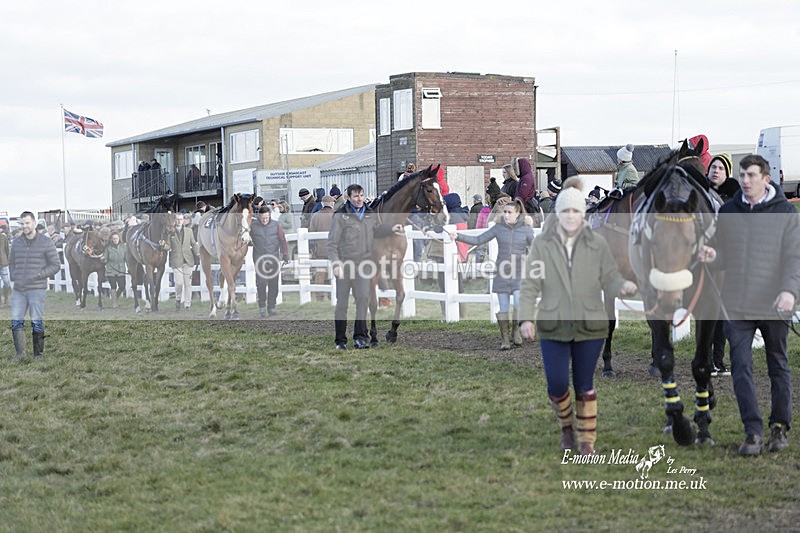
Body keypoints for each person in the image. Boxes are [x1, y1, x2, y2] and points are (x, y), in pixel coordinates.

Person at [519, 179, 637, 454]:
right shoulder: (542, 245)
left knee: (585, 386)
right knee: (557, 385)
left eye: (575, 211)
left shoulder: (597, 244)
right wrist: (526, 317)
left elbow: (610, 278)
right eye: (565, 212)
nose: (570, 216)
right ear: (558, 215)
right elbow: (529, 284)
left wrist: (623, 286)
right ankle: (566, 428)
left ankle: (586, 441)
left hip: (590, 327)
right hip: (553, 326)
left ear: (581, 214)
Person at [699, 154, 800, 456]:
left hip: (774, 303)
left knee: (777, 365)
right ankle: (753, 431)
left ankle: (779, 427)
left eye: (751, 175)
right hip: (737, 304)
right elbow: (721, 251)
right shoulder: (729, 211)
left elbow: (795, 258)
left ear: (766, 179)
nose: (745, 180)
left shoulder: (785, 212)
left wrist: (789, 291)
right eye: (742, 175)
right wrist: (710, 254)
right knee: (741, 367)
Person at [327, 184, 403, 350]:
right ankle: (340, 340)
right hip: (345, 264)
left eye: (361, 195)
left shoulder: (369, 214)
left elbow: (376, 230)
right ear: (348, 197)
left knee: (363, 299)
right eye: (355, 196)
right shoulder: (340, 216)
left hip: (364, 264)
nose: (359, 199)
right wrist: (335, 263)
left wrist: (391, 228)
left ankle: (360, 337)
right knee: (342, 304)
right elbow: (332, 242)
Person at [451, 198, 535, 350]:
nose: (506, 215)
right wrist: (458, 236)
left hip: (518, 272)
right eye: (505, 212)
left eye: (510, 212)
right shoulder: (498, 228)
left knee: (518, 303)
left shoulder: (526, 229)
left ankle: (516, 331)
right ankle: (505, 339)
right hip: (501, 273)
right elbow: (478, 239)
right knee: (503, 307)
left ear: (517, 214)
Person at [9, 211, 61, 360]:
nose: (24, 226)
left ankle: (38, 354)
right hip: (18, 289)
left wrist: (38, 275)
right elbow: (12, 263)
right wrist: (14, 275)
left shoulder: (46, 242)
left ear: (34, 223)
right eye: (22, 223)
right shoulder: (17, 242)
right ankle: (20, 354)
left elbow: (55, 265)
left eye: (27, 223)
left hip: (36, 288)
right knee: (16, 321)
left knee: (36, 321)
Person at [706, 153, 741, 377]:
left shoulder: (735, 199)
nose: (715, 170)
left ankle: (717, 360)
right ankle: (707, 359)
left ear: (727, 173)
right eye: (713, 167)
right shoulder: (700, 195)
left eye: (720, 168)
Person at [251, 205, 289, 317]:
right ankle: (262, 306)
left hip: (273, 258)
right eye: (262, 218)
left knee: (273, 284)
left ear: (270, 216)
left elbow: (282, 239)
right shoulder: (253, 226)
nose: (264, 220)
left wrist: (285, 253)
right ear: (259, 216)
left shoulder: (276, 225)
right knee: (261, 284)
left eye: (266, 218)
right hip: (259, 259)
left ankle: (272, 306)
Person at [163, 213, 199, 311]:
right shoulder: (171, 232)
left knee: (188, 284)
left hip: (188, 261)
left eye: (181, 219)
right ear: (175, 220)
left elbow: (193, 243)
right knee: (179, 283)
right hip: (176, 261)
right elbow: (169, 247)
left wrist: (198, 253)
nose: (179, 221)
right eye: (177, 219)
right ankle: (178, 299)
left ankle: (187, 304)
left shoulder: (189, 231)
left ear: (183, 220)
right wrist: (163, 245)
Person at [308, 196, 335, 302]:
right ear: (331, 204)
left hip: (320, 250)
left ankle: (319, 296)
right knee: (333, 273)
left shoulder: (315, 216)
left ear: (323, 204)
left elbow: (311, 232)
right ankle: (332, 294)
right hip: (334, 249)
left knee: (320, 273)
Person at [102, 231, 127, 308]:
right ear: (111, 240)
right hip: (111, 270)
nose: (115, 240)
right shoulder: (108, 248)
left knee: (122, 286)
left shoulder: (123, 246)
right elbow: (105, 258)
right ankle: (114, 303)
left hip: (121, 269)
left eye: (117, 238)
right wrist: (103, 259)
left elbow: (127, 258)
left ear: (119, 238)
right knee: (113, 286)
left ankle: (115, 298)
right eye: (114, 239)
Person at [0, 226, 10, 308]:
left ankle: (6, 299)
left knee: (6, 282)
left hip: (3, 263)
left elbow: (7, 249)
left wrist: (7, 260)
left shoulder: (4, 237)